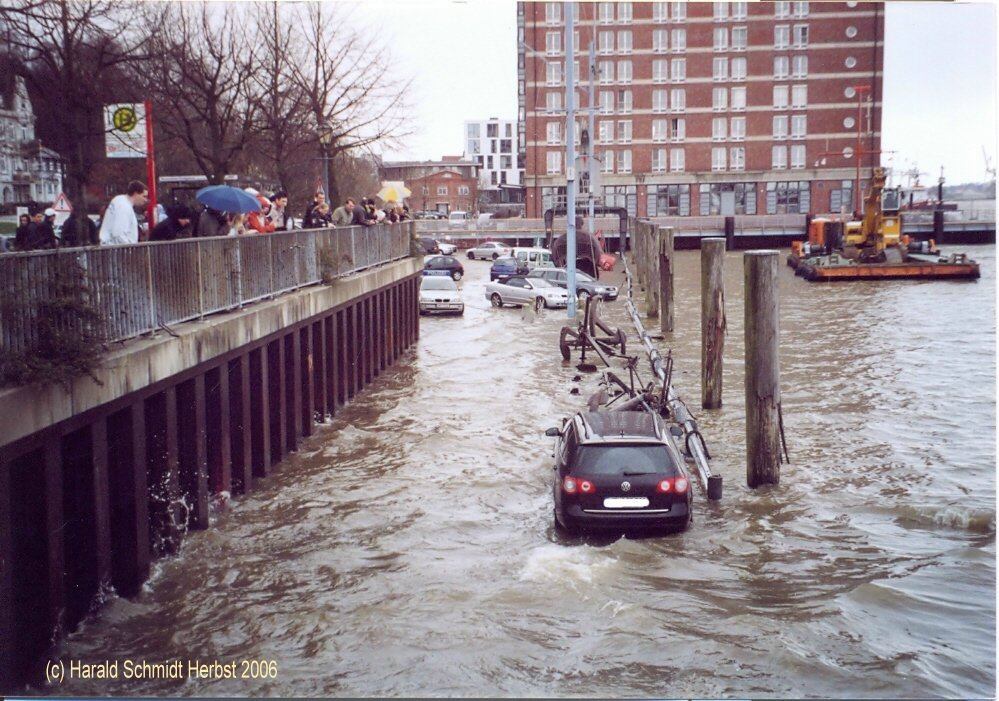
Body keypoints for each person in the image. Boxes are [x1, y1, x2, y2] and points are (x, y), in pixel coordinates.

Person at [98, 180, 148, 245]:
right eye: (143, 196)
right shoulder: (124, 207)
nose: (145, 200)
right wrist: (130, 248)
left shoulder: (119, 200)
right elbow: (118, 234)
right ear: (136, 194)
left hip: (110, 247)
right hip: (117, 250)